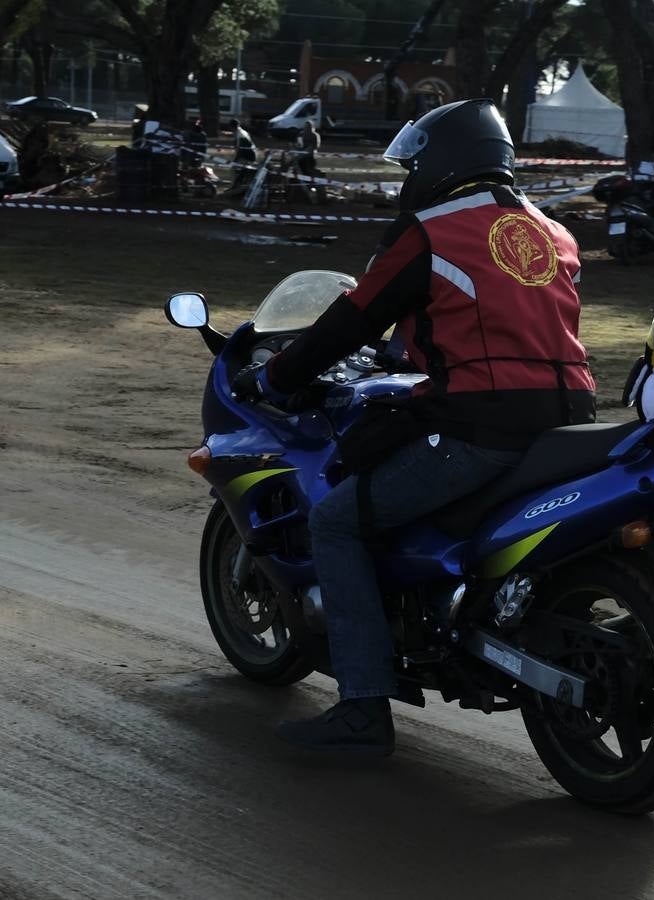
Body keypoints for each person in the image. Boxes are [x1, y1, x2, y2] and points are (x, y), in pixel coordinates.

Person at [232, 99, 596, 755]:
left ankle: (363, 709)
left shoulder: (431, 230)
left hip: (478, 424)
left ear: (445, 159)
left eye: (418, 160)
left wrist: (277, 377)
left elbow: (353, 320)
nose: (411, 174)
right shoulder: (552, 231)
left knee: (336, 520)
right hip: (567, 418)